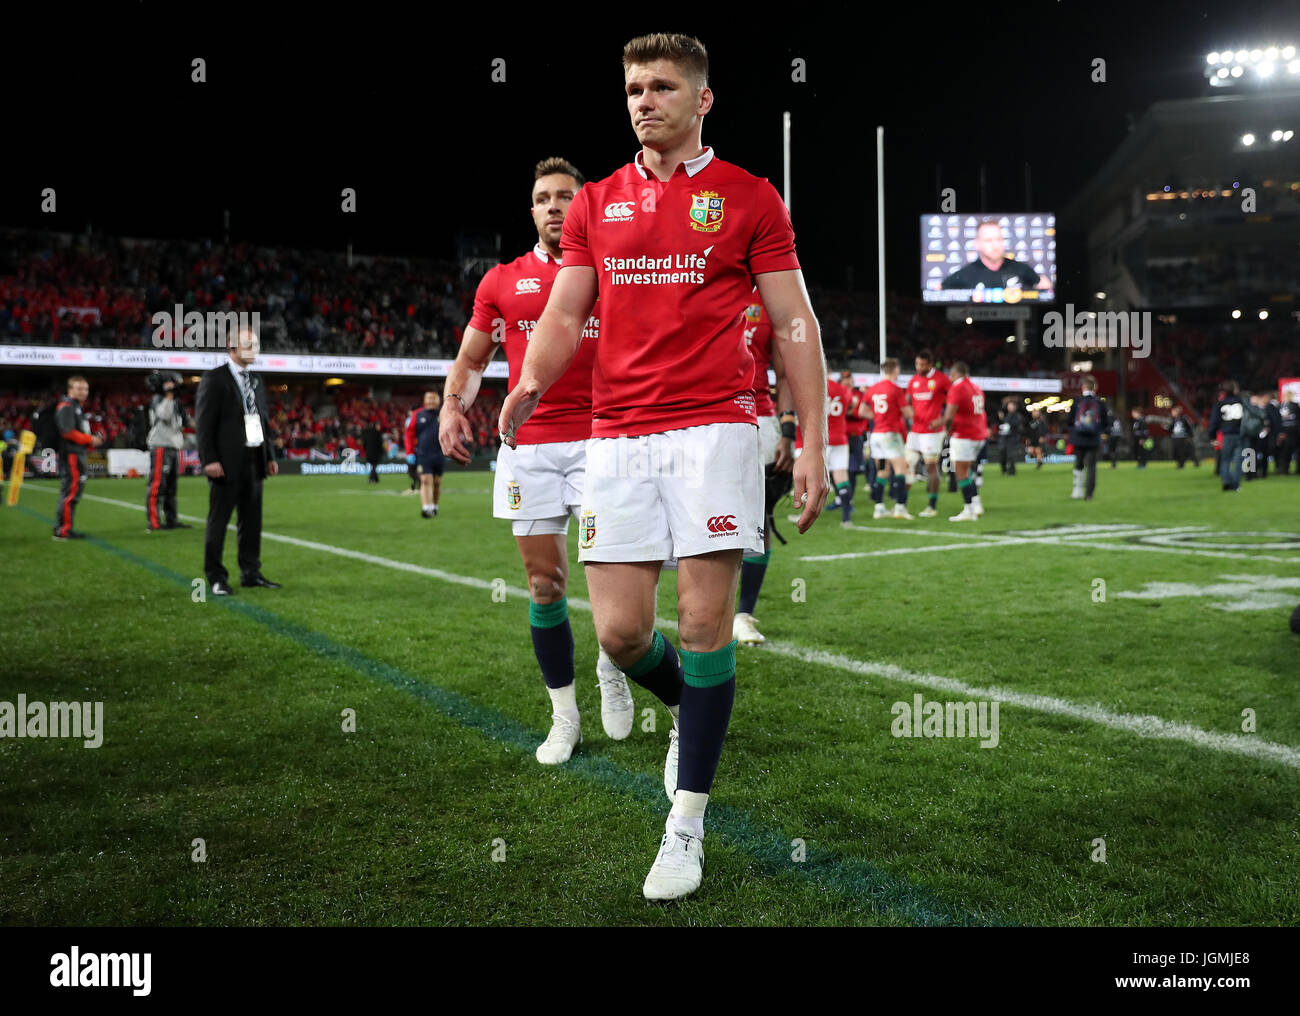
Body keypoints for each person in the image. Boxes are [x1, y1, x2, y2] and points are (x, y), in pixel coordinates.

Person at [497, 32, 829, 901]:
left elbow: (794, 323)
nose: (645, 100)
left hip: (715, 432)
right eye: (635, 88)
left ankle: (685, 824)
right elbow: (566, 315)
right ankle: (686, 705)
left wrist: (814, 440)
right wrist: (532, 379)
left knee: (705, 622)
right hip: (617, 437)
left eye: (663, 86)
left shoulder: (750, 198)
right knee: (620, 634)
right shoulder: (595, 203)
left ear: (702, 99)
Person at [442, 156, 634, 763]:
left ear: (583, 206)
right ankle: (564, 718)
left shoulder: (616, 269)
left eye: (565, 197)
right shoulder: (502, 280)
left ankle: (613, 662)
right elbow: (472, 363)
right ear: (531, 210)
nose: (555, 206)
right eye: (544, 197)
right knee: (544, 584)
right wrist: (452, 406)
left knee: (619, 584)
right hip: (531, 446)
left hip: (607, 438)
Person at [195, 328, 280, 595]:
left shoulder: (256, 380)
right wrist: (209, 459)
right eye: (249, 345)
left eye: (256, 344)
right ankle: (216, 576)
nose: (255, 349)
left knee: (252, 521)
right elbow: (204, 422)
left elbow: (263, 419)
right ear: (232, 347)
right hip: (226, 462)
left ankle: (250, 572)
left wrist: (270, 456)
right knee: (219, 520)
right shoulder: (215, 378)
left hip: (254, 459)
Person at [734, 297, 795, 645]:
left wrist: (787, 429)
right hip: (704, 415)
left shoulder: (770, 299)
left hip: (757, 414)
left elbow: (784, 372)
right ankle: (707, 610)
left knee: (760, 516)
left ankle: (743, 613)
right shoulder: (697, 273)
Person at [51, 376, 102, 540]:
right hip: (72, 454)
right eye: (79, 388)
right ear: (70, 390)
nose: (83, 392)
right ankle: (63, 530)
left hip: (76, 452)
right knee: (71, 492)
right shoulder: (67, 406)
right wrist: (90, 439)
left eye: (85, 389)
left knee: (72, 491)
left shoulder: (75, 406)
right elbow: (68, 432)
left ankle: (64, 527)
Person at [940, 220, 1051, 294]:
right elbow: (937, 292)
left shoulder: (1021, 269)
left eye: (998, 239)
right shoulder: (965, 274)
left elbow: (1046, 288)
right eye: (988, 240)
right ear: (977, 244)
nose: (995, 245)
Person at [865, 358, 914, 519]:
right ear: (895, 370)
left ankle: (879, 508)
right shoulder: (895, 389)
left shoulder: (873, 389)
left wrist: (878, 417)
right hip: (890, 434)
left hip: (876, 435)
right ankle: (900, 507)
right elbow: (907, 414)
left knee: (883, 472)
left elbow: (860, 411)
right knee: (901, 470)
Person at [904, 349, 951, 515]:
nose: (919, 367)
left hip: (933, 432)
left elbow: (954, 399)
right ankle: (902, 505)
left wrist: (944, 418)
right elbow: (907, 401)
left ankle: (932, 506)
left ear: (930, 365)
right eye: (917, 363)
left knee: (931, 467)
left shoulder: (941, 379)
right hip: (915, 431)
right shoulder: (914, 380)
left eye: (922, 364)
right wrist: (910, 412)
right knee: (907, 464)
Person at [941, 362, 987, 520]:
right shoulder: (976, 387)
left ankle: (969, 507)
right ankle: (975, 501)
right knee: (967, 471)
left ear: (954, 374)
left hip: (964, 434)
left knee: (961, 472)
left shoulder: (957, 388)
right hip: (978, 434)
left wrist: (946, 431)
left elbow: (949, 416)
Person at [145, 371, 190, 530]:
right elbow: (163, 415)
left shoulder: (175, 402)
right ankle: (154, 522)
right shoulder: (159, 399)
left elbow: (184, 423)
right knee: (157, 486)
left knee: (171, 488)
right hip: (160, 447)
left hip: (172, 447)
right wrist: (169, 395)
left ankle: (171, 520)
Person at [1066, 376, 1109, 501]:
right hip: (1093, 439)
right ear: (1095, 388)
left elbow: (1069, 421)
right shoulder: (1100, 402)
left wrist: (1074, 431)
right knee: (1092, 467)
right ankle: (1089, 494)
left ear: (1083, 387)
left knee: (1079, 464)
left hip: (1078, 438)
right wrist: (1097, 430)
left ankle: (1077, 490)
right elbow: (1105, 422)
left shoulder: (1077, 401)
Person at [404, 392, 445, 516]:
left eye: (434, 398)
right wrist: (410, 452)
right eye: (429, 398)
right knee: (425, 481)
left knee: (437, 483)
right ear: (424, 400)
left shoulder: (444, 414)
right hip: (423, 455)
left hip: (439, 454)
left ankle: (434, 506)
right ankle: (426, 508)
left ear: (438, 400)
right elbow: (409, 435)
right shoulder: (417, 414)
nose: (431, 400)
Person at [841, 369, 870, 523]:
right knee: (837, 471)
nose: (849, 382)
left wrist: (846, 411)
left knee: (851, 471)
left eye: (851, 379)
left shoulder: (858, 395)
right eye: (846, 380)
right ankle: (841, 500)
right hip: (840, 437)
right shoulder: (838, 393)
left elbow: (859, 413)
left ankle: (848, 501)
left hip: (854, 436)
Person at [997, 398, 1025, 476]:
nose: (1009, 407)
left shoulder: (1017, 416)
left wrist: (1004, 419)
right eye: (1009, 406)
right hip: (1004, 439)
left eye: (1011, 406)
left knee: (1011, 456)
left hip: (1013, 439)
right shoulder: (1007, 416)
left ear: (1014, 407)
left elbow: (1015, 424)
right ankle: (1004, 470)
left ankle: (1012, 472)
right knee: (1002, 455)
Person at [1278, 388, 1299, 475]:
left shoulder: (1281, 406)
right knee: (1295, 452)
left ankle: (1284, 470)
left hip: (1286, 432)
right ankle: (1296, 470)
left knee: (1285, 452)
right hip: (1295, 432)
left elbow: (1278, 420)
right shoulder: (1296, 406)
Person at [361, 416, 384, 484]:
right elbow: (380, 444)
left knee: (373, 466)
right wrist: (381, 452)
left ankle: (376, 479)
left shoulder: (367, 433)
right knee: (374, 466)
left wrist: (366, 449)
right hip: (376, 453)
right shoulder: (377, 433)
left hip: (369, 452)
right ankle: (371, 478)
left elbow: (364, 443)